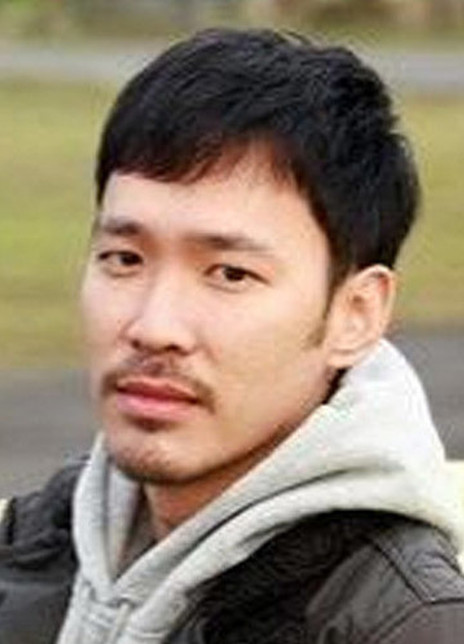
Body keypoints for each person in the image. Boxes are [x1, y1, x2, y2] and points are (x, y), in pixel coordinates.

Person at [1, 28, 464, 644]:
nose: (154, 326)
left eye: (230, 274)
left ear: (355, 315)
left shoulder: (398, 624)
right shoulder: (37, 543)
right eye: (124, 259)